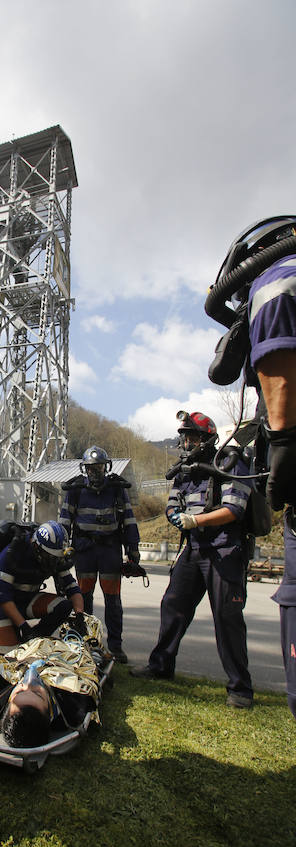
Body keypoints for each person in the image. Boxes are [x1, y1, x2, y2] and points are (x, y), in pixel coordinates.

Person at [204, 216, 296, 721]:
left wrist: (281, 446)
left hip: (226, 550)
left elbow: (279, 363)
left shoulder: (276, 276)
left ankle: (240, 686)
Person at [131, 411, 254, 709]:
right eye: (185, 437)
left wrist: (195, 521)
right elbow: (172, 505)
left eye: (193, 436)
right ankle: (161, 666)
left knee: (227, 618)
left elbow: (234, 509)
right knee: (172, 605)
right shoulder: (185, 471)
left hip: (224, 550)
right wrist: (177, 517)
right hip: (194, 548)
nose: (187, 442)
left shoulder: (229, 462)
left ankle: (240, 688)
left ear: (208, 438)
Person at [0, 612, 110, 748]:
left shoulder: (4, 681)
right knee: (88, 625)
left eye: (19, 692)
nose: (29, 682)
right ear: (50, 711)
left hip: (41, 649)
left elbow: (11, 658)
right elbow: (87, 676)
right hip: (69, 655)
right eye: (37, 693)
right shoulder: (72, 696)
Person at [58, 446, 140, 663]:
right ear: (85, 469)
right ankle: (87, 643)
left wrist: (133, 548)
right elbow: (64, 521)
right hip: (84, 551)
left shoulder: (117, 489)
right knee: (83, 599)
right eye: (91, 468)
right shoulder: (74, 489)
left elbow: (128, 519)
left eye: (99, 468)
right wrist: (61, 548)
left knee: (113, 600)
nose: (95, 472)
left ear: (106, 467)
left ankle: (115, 646)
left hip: (109, 551)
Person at [0, 520, 84, 655]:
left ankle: (36, 639)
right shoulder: (11, 553)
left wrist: (80, 615)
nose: (52, 561)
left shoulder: (54, 557)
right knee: (9, 656)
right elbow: (3, 598)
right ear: (36, 546)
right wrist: (24, 627)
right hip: (3, 605)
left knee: (63, 606)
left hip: (28, 599)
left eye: (55, 557)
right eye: (49, 556)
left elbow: (72, 587)